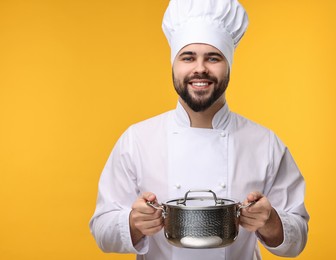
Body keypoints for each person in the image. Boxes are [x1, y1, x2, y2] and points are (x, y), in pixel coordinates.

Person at [89, 0, 309, 259]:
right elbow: (101, 229)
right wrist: (134, 224)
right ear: (174, 65)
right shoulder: (136, 140)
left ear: (228, 65)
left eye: (213, 57)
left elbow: (298, 238)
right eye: (188, 57)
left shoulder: (265, 143)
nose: (200, 68)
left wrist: (270, 221)